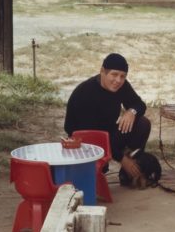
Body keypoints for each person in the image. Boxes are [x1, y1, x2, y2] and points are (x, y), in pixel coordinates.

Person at [63, 53, 151, 183]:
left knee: (142, 123)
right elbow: (91, 136)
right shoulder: (86, 93)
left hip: (107, 134)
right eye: (114, 75)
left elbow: (139, 104)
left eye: (123, 76)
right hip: (83, 142)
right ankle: (118, 165)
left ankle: (129, 175)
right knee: (96, 174)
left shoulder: (121, 86)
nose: (118, 80)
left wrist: (131, 111)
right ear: (102, 71)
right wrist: (121, 158)